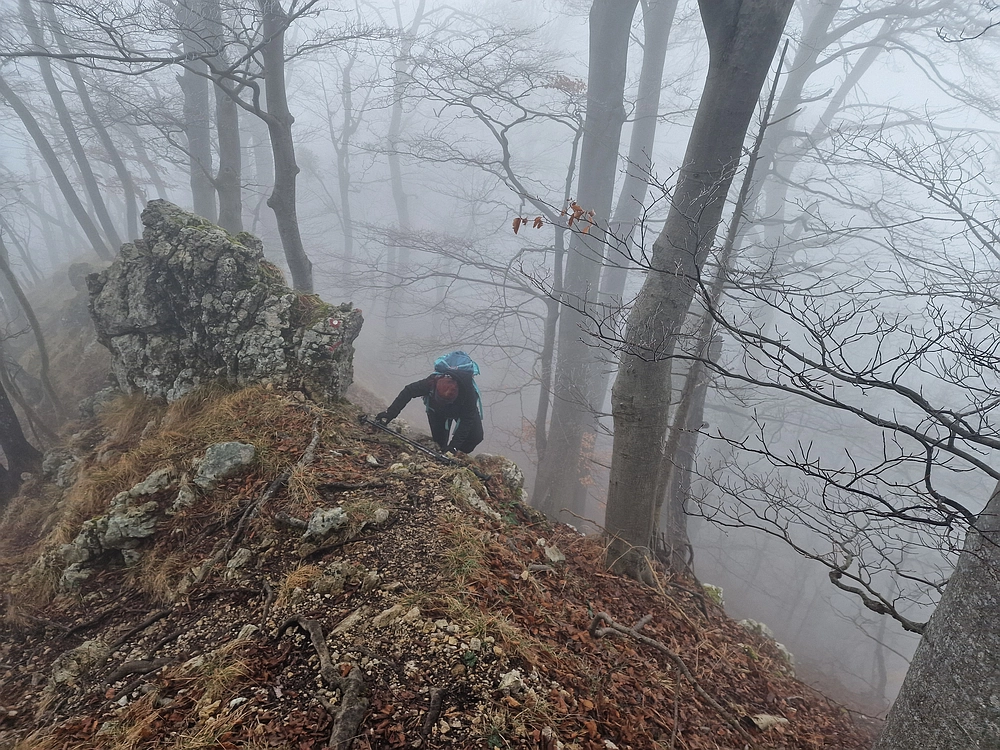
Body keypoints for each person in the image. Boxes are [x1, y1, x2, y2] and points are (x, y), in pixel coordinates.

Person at [376, 354, 484, 454]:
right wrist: (389, 414)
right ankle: (446, 451)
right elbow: (409, 391)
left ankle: (459, 454)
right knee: (439, 444)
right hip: (437, 411)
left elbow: (467, 420)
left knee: (475, 437)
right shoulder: (431, 382)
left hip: (461, 409)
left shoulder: (469, 394)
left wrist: (454, 447)